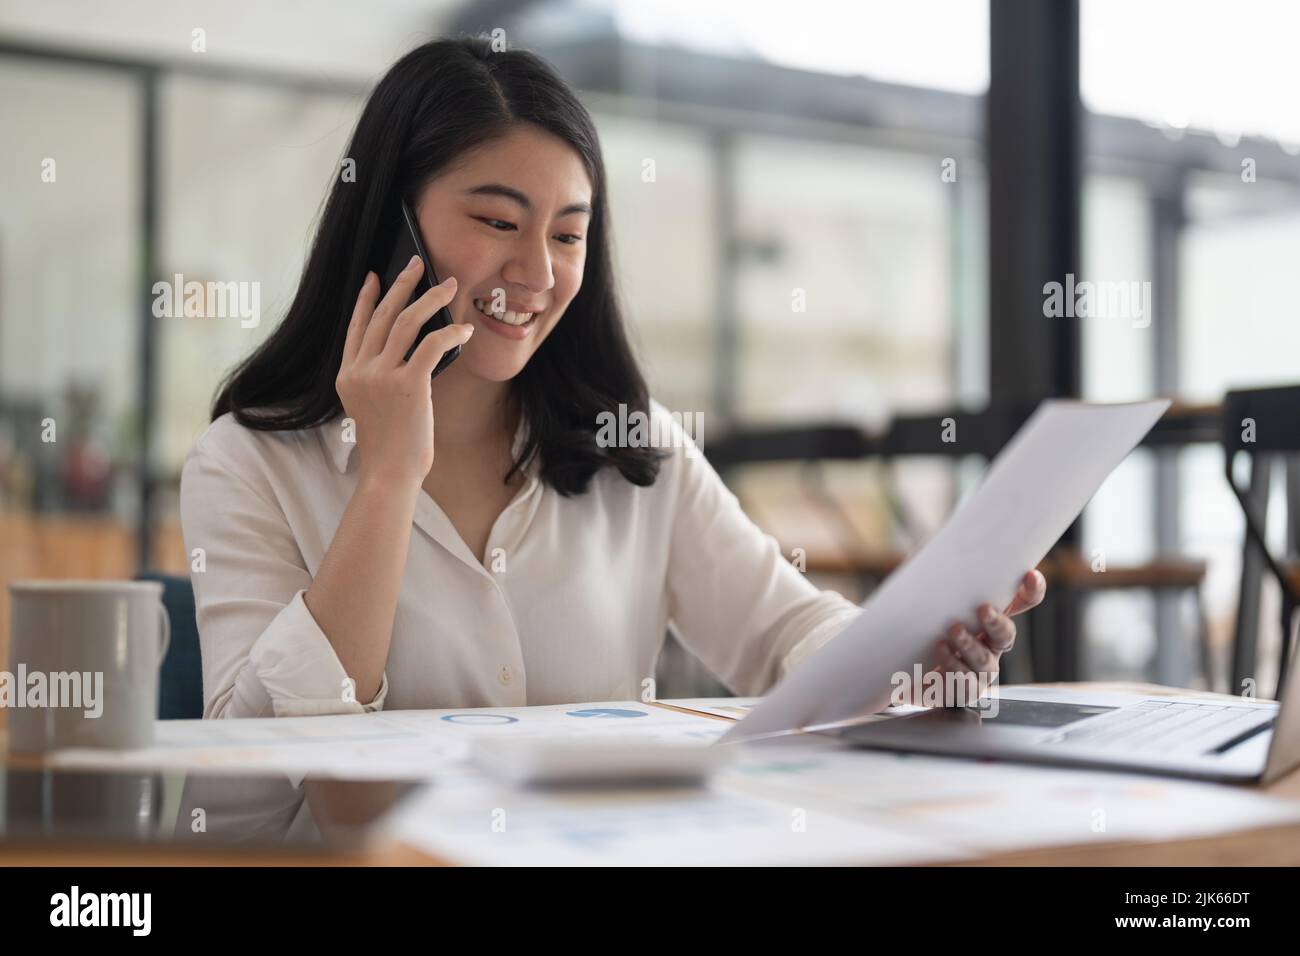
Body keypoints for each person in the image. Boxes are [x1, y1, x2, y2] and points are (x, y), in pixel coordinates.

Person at [180, 36, 1045, 719]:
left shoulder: (628, 449)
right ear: (391, 226)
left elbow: (787, 630)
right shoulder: (248, 464)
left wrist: (911, 656)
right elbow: (265, 760)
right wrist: (389, 478)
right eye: (496, 220)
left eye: (566, 234)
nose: (538, 273)